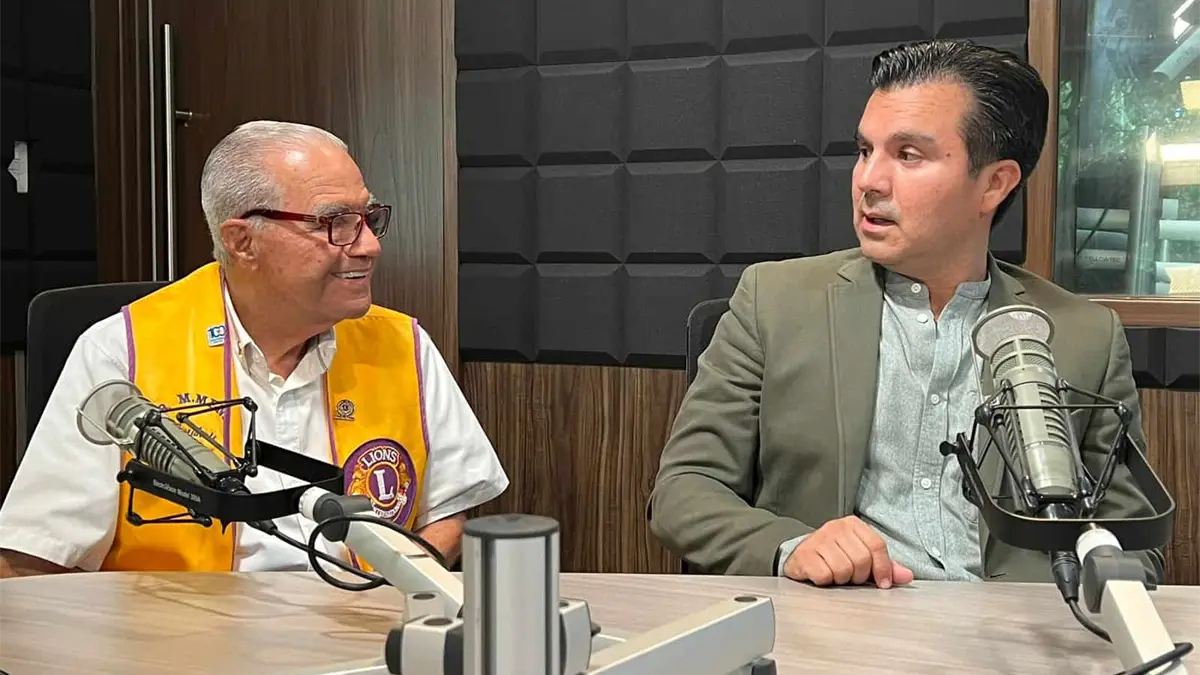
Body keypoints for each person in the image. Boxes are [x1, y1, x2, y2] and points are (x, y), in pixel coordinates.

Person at [648, 39, 1164, 587]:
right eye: (864, 150)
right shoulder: (774, 301)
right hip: (837, 619)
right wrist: (791, 548)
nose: (869, 181)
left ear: (995, 183)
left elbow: (1137, 543)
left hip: (1016, 629)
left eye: (908, 155)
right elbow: (684, 489)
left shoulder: (1085, 336)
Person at [0, 120, 509, 576]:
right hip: (181, 637)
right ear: (242, 241)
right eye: (334, 222)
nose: (369, 245)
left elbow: (448, 510)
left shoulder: (402, 344)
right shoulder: (122, 353)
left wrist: (397, 589)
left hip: (362, 627)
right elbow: (33, 558)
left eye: (367, 217)